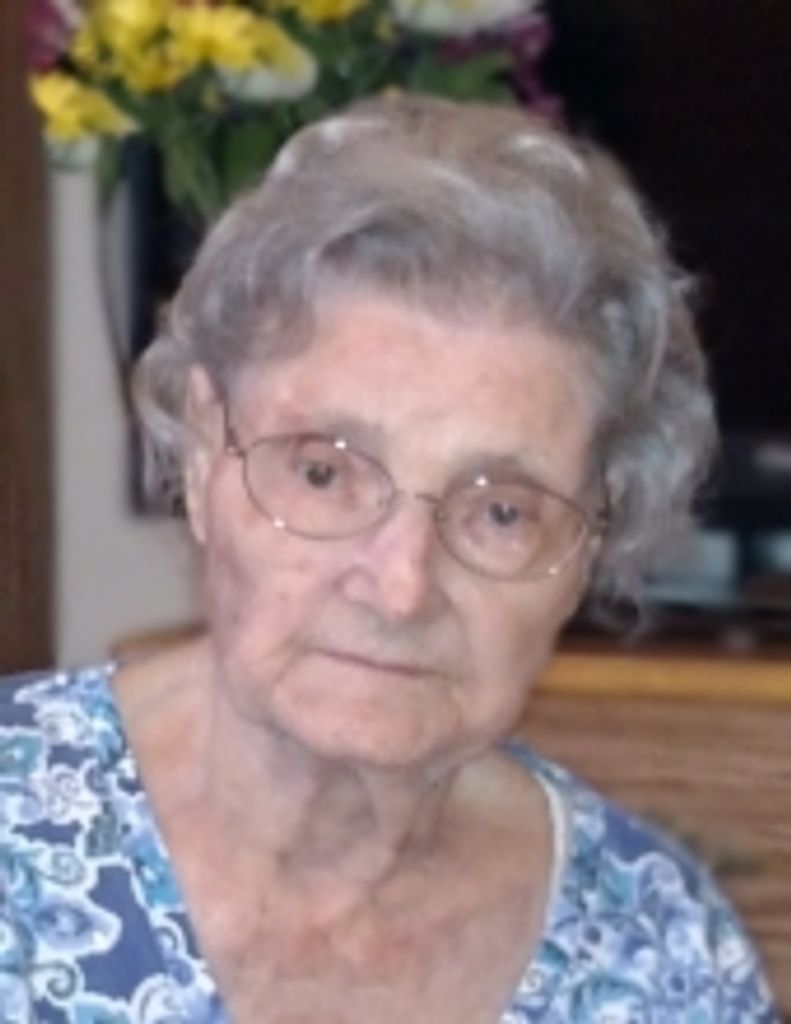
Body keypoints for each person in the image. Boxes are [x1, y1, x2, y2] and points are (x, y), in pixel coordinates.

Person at [0, 94, 779, 1023]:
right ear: (204, 454)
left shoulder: (662, 959)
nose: (400, 587)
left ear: (590, 544)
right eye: (324, 474)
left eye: (499, 511)